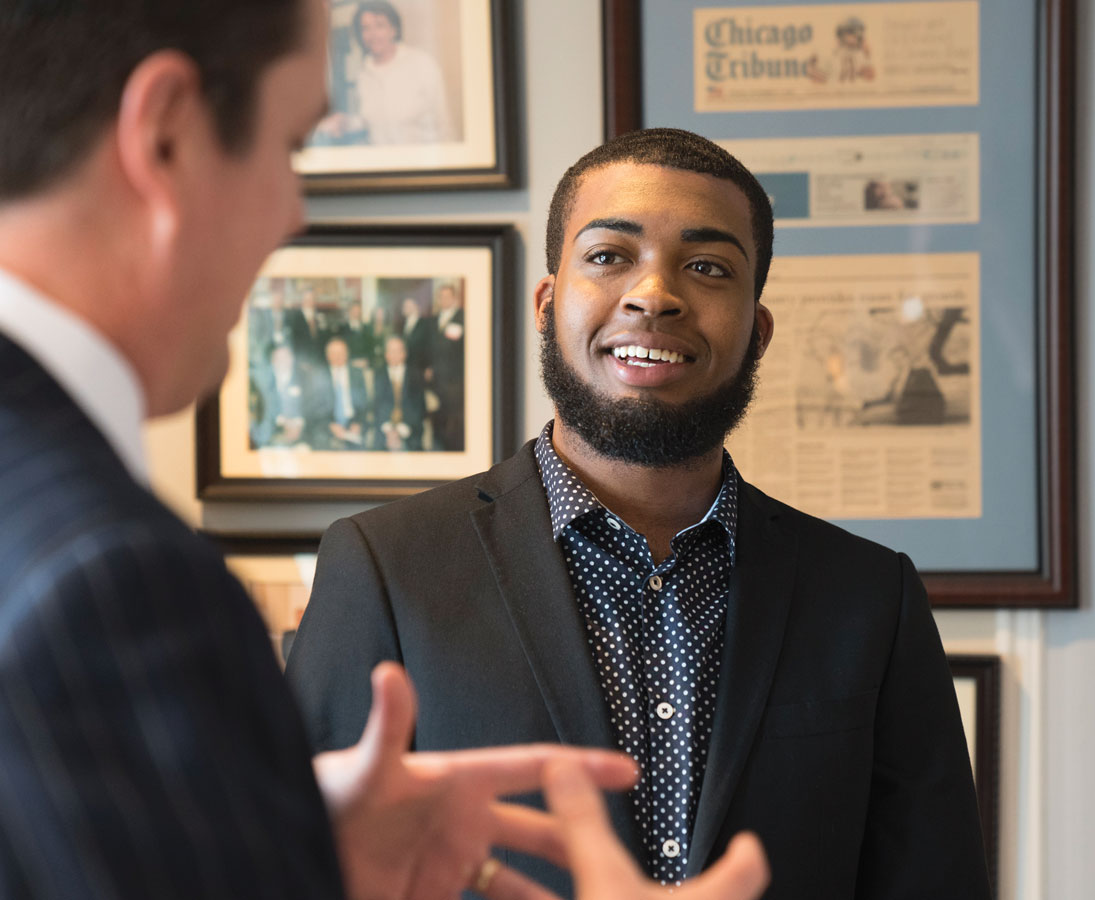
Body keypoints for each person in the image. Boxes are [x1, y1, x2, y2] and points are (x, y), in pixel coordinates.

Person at [0, 3, 768, 899]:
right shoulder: (108, 574)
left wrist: (299, 848)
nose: (296, 215)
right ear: (166, 134)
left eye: (707, 267)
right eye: (291, 145)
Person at [286, 127, 991, 899]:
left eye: (707, 266)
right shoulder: (386, 566)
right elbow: (296, 868)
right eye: (609, 255)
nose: (654, 293)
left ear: (756, 334)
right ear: (549, 304)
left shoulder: (868, 598)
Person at [317, 0, 455, 146]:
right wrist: (346, 122)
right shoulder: (363, 74)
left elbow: (444, 124)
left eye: (379, 25)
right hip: (381, 163)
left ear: (394, 29)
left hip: (420, 164)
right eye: (365, 28)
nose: (372, 34)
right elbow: (372, 122)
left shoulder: (422, 64)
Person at [428, 282, 466, 451]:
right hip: (436, 381)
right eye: (441, 297)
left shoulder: (462, 317)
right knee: (437, 418)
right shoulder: (433, 320)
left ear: (454, 298)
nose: (443, 300)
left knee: (453, 420)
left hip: (454, 381)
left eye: (447, 297)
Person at [317, 336, 372, 450]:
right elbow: (316, 408)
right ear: (327, 356)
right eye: (333, 353)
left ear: (347, 354)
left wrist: (357, 423)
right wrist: (330, 425)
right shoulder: (320, 375)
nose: (337, 357)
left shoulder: (357, 374)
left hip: (353, 424)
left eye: (341, 353)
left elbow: (364, 403)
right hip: (329, 425)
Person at [374, 334, 427, 451]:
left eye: (398, 351)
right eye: (391, 351)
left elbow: (419, 407)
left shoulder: (416, 375)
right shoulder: (378, 374)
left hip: (410, 428)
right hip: (385, 429)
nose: (395, 355)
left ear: (405, 354)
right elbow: (376, 405)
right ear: (386, 354)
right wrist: (389, 430)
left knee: (414, 452)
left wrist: (402, 429)